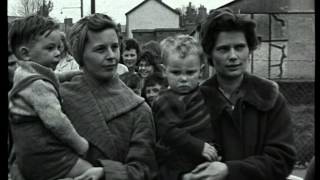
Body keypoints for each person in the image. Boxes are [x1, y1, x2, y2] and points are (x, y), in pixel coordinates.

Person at [182, 8, 296, 180]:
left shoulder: (270, 97)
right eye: (223, 49)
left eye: (240, 47)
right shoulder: (195, 101)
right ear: (210, 55)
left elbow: (282, 160)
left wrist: (230, 170)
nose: (233, 56)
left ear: (249, 50)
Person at [59, 13, 157, 180]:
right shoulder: (58, 98)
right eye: (100, 49)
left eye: (115, 47)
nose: (111, 55)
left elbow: (144, 170)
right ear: (80, 54)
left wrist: (106, 172)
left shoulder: (139, 109)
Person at [8, 15, 93, 180]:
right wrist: (81, 144)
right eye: (50, 48)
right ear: (25, 53)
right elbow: (56, 122)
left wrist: (71, 74)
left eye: (59, 48)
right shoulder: (38, 86)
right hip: (41, 152)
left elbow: (53, 77)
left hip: (23, 152)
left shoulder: (23, 72)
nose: (57, 53)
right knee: (87, 170)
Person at [153, 35, 220, 180]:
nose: (183, 79)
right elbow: (168, 131)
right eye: (176, 72)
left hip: (206, 153)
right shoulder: (165, 99)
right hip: (179, 158)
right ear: (164, 71)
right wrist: (198, 146)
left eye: (190, 72)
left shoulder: (204, 93)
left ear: (201, 71)